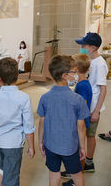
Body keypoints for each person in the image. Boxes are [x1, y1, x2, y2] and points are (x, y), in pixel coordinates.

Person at [37, 55, 90, 186]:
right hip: (70, 147)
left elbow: (41, 122)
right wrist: (82, 147)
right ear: (65, 75)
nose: (76, 74)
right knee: (77, 175)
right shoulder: (77, 99)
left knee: (54, 174)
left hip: (50, 145)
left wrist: (40, 142)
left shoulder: (45, 98)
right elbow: (81, 126)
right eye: (74, 71)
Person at [0, 57, 35, 186]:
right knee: (12, 177)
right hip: (13, 145)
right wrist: (31, 146)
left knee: (3, 170)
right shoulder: (24, 98)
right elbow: (28, 126)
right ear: (17, 75)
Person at [75, 32, 108, 173]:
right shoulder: (90, 60)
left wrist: (96, 111)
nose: (82, 47)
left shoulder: (99, 64)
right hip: (86, 105)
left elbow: (103, 90)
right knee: (84, 134)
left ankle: (86, 163)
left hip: (92, 107)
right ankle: (85, 163)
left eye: (84, 45)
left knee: (88, 135)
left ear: (93, 47)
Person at [61, 54, 92, 186]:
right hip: (78, 122)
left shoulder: (83, 86)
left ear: (77, 68)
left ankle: (76, 179)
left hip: (80, 123)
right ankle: (72, 173)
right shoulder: (81, 83)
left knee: (79, 151)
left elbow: (81, 106)